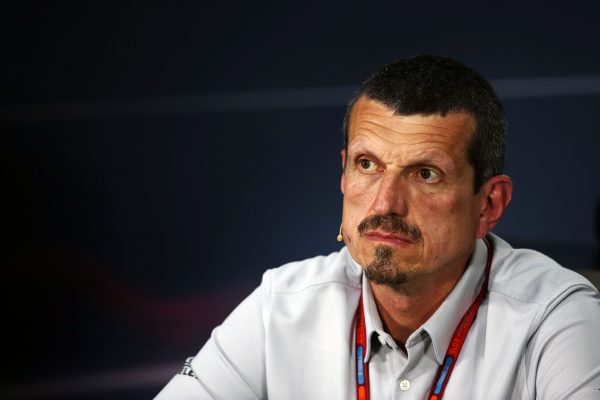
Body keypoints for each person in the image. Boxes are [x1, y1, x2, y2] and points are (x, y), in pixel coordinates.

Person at [155, 55, 600, 399]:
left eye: (426, 174)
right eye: (368, 165)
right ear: (345, 175)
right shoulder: (281, 307)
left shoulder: (556, 319)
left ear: (489, 204)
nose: (386, 203)